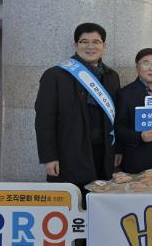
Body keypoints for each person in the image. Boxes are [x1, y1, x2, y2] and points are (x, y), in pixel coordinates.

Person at [35, 22, 121, 194]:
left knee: (98, 201)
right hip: (69, 153)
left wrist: (117, 149)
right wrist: (49, 157)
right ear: (75, 45)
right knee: (72, 202)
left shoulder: (112, 76)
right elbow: (44, 120)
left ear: (104, 46)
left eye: (96, 42)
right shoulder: (55, 75)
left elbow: (117, 118)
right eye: (84, 41)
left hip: (103, 152)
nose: (90, 47)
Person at [115, 48, 152, 174]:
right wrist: (139, 136)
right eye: (146, 63)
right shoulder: (125, 94)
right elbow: (119, 127)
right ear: (137, 67)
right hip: (140, 159)